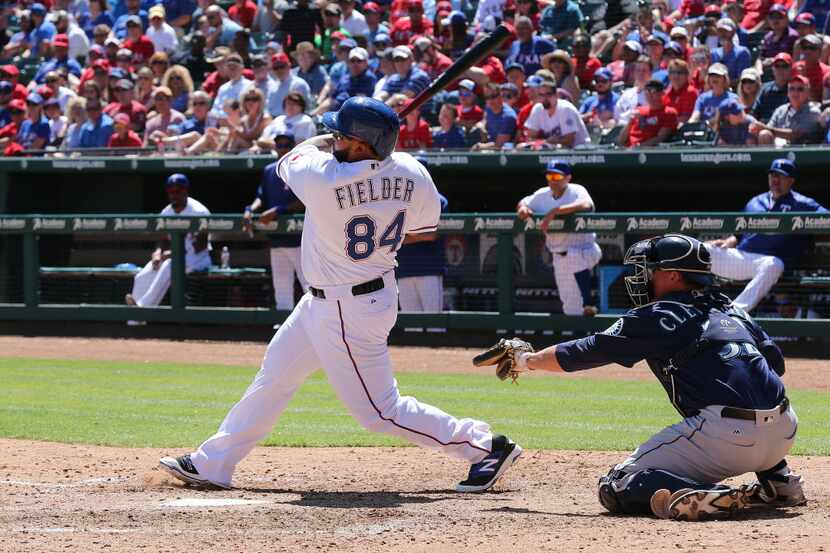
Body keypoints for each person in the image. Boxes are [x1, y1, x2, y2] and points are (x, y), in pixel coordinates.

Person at [159, 97, 522, 493]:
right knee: (276, 374)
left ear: (363, 143)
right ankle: (214, 463)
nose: (334, 138)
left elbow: (293, 157)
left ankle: (485, 447)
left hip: (349, 308)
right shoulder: (414, 171)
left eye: (342, 134)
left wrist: (331, 143)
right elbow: (425, 222)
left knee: (380, 410)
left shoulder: (323, 176)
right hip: (337, 297)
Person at [479, 233, 806, 521]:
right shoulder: (734, 310)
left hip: (724, 439)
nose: (643, 276)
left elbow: (586, 351)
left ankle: (705, 493)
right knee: (747, 396)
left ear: (674, 276)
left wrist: (525, 359)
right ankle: (779, 480)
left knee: (616, 484)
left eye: (652, 270)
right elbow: (775, 366)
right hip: (785, 431)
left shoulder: (659, 313)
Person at [707, 159, 827, 312]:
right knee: (701, 249)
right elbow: (738, 234)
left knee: (773, 264)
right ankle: (687, 303)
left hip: (768, 263)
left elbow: (826, 219)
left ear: (791, 180)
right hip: (741, 258)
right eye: (772, 175)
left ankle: (734, 313)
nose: (775, 180)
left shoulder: (803, 203)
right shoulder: (755, 202)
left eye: (781, 176)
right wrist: (728, 242)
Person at [515, 160, 600, 316]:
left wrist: (556, 211)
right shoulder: (542, 194)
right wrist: (523, 208)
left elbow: (587, 205)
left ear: (568, 178)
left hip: (585, 248)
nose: (551, 180)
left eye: (556, 176)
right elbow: (523, 202)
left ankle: (589, 300)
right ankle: (582, 332)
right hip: (559, 255)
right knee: (570, 306)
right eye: (549, 176)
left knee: (574, 256)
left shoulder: (576, 190)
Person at [126, 174, 211, 310]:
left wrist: (171, 254)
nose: (174, 195)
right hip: (175, 257)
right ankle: (134, 320)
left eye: (177, 191)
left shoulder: (199, 211)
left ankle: (142, 308)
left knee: (169, 266)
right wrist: (158, 253)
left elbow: (200, 246)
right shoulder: (167, 211)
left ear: (185, 191)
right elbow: (163, 239)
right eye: (170, 191)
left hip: (197, 259)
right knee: (144, 274)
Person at [243, 137, 308, 310]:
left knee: (310, 288)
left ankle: (318, 329)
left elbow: (305, 201)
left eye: (287, 145)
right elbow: (261, 197)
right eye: (279, 145)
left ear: (293, 148)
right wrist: (250, 209)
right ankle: (283, 326)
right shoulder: (270, 170)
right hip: (277, 240)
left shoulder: (302, 169)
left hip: (300, 240)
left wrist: (279, 210)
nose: (283, 149)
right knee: (281, 288)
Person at [396, 161, 447, 312]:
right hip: (404, 269)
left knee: (434, 324)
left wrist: (406, 235)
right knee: (412, 326)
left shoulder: (439, 200)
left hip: (429, 269)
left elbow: (432, 235)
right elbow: (395, 237)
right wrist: (417, 234)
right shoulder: (397, 200)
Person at [751, 74, 825, 145]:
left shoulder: (813, 111)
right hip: (779, 150)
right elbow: (768, 129)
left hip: (803, 152)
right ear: (788, 92)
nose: (795, 93)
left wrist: (766, 128)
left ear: (808, 93)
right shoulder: (781, 110)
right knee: (764, 134)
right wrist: (757, 129)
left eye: (800, 89)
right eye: (792, 89)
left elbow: (796, 134)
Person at [520, 80, 590, 148]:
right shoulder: (538, 109)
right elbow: (530, 136)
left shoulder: (566, 109)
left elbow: (569, 140)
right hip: (556, 150)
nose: (545, 98)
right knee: (521, 147)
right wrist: (545, 142)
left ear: (556, 95)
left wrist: (545, 142)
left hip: (580, 152)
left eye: (548, 94)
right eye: (541, 95)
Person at [619, 79, 679, 147]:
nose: (649, 94)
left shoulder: (669, 113)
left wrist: (639, 147)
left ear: (662, 93)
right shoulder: (638, 110)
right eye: (646, 90)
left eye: (653, 91)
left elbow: (661, 137)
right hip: (628, 150)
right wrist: (630, 122)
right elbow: (621, 140)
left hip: (648, 151)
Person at [472, 83, 517, 150]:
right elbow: (485, 119)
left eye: (493, 96)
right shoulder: (489, 107)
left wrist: (479, 146)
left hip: (503, 153)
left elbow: (499, 145)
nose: (490, 100)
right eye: (487, 98)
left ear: (501, 96)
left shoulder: (508, 116)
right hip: (488, 145)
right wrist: (482, 125)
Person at [752, 53, 793, 122]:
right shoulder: (765, 88)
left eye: (784, 66)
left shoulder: (795, 89)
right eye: (777, 66)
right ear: (773, 69)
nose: (780, 69)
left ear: (791, 68)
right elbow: (755, 111)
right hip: (763, 126)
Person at [579, 67, 619, 131]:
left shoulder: (617, 100)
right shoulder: (589, 101)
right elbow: (577, 118)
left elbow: (618, 121)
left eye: (604, 81)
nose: (600, 84)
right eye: (597, 81)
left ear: (611, 82)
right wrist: (587, 116)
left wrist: (601, 123)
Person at [663, 59, 698, 124]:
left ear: (687, 75)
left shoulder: (691, 92)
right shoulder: (665, 94)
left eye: (680, 72)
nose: (676, 76)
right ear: (669, 75)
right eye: (672, 72)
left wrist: (664, 123)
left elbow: (686, 118)